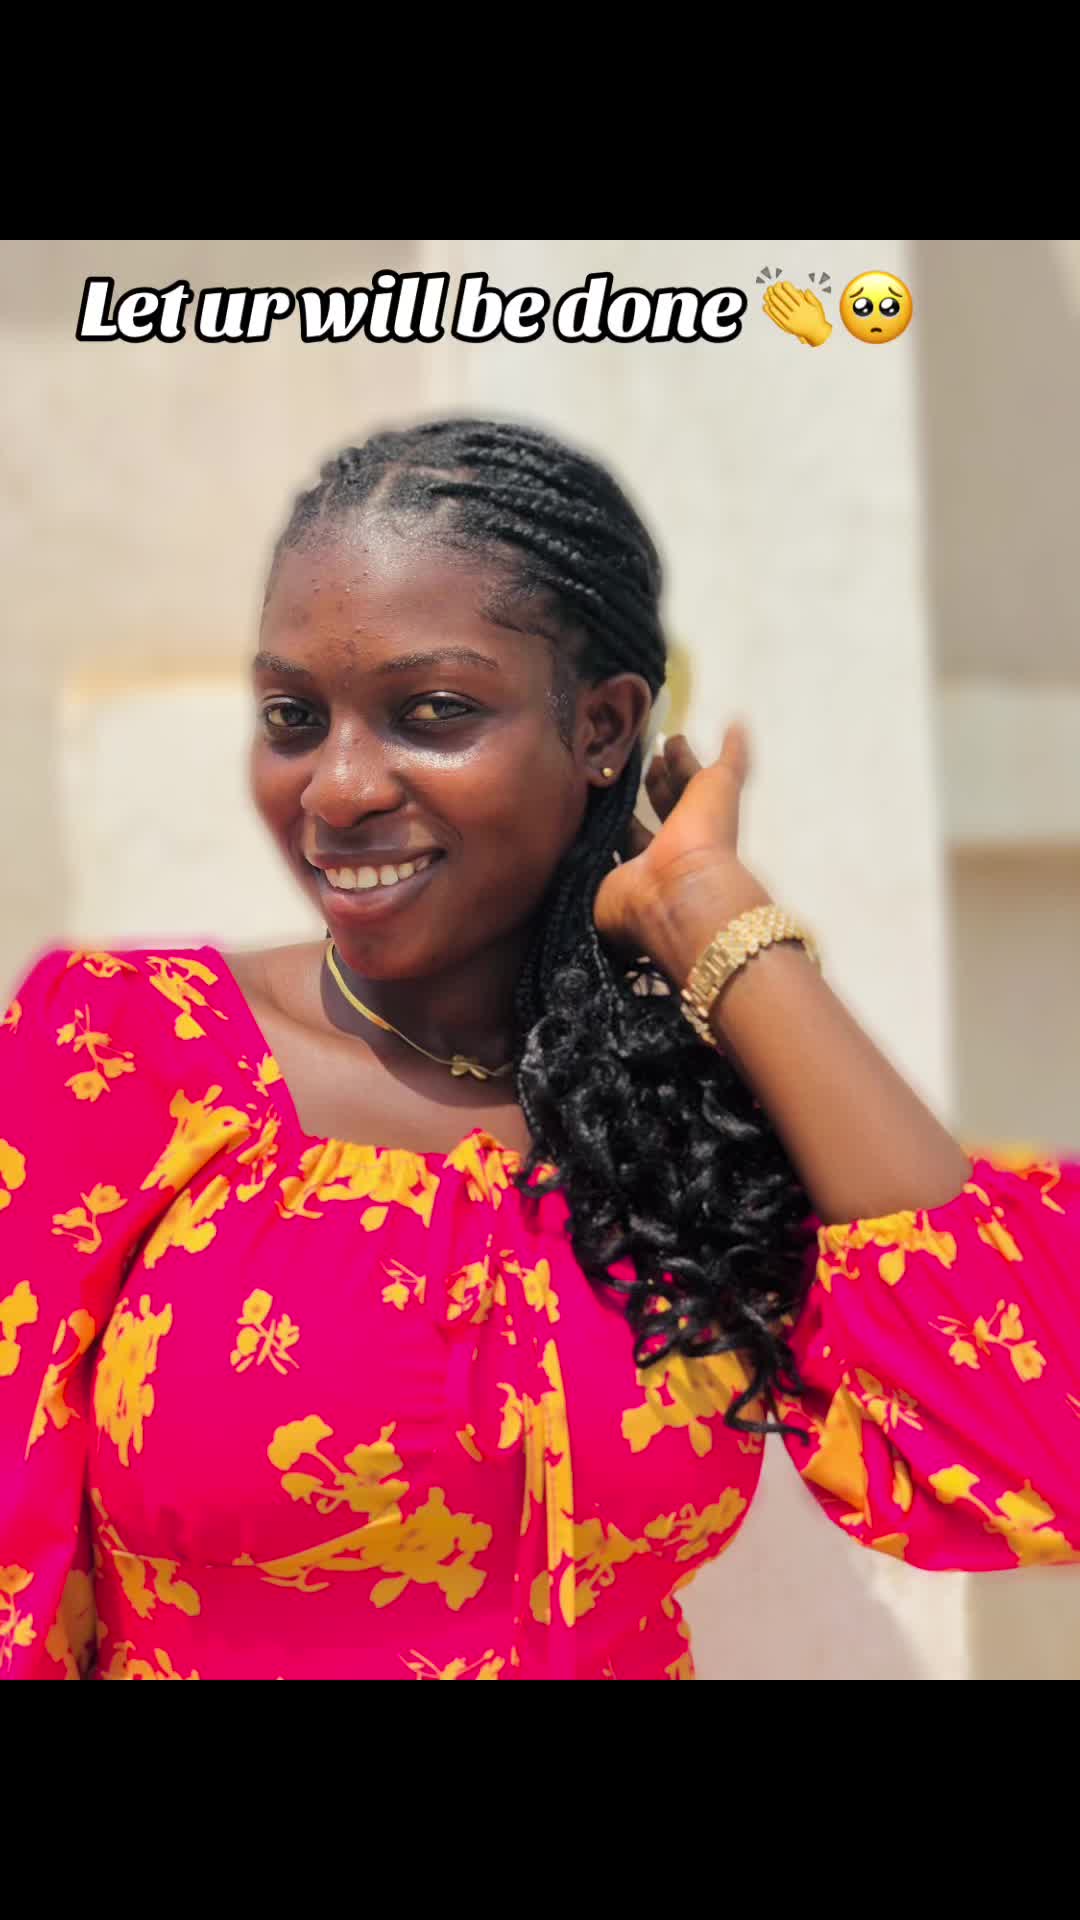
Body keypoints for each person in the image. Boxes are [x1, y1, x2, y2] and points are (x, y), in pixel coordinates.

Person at [2, 417, 1078, 1683]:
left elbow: (1032, 1445)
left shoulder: (686, 1118)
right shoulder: (124, 1052)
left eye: (431, 711)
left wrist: (710, 917)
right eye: (294, 716)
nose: (336, 787)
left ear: (603, 726)